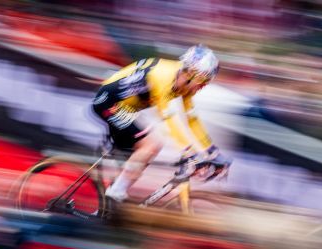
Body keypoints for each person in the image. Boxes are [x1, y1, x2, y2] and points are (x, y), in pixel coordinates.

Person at [92, 44, 230, 205]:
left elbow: (191, 120)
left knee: (144, 151)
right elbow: (170, 120)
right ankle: (116, 191)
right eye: (203, 81)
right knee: (152, 143)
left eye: (207, 82)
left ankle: (114, 195)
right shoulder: (164, 77)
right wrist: (188, 153)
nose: (203, 86)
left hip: (127, 107)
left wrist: (212, 151)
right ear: (190, 74)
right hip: (109, 102)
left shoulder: (184, 84)